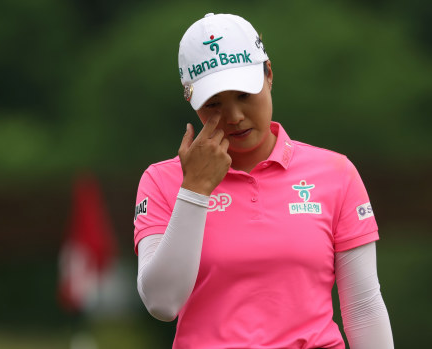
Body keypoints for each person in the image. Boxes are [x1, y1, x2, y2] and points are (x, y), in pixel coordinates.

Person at [133, 13, 394, 349]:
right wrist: (195, 190)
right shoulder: (162, 181)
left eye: (243, 95)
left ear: (268, 74)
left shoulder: (336, 172)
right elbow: (162, 303)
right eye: (214, 104)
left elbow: (364, 307)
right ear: (191, 101)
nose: (234, 117)